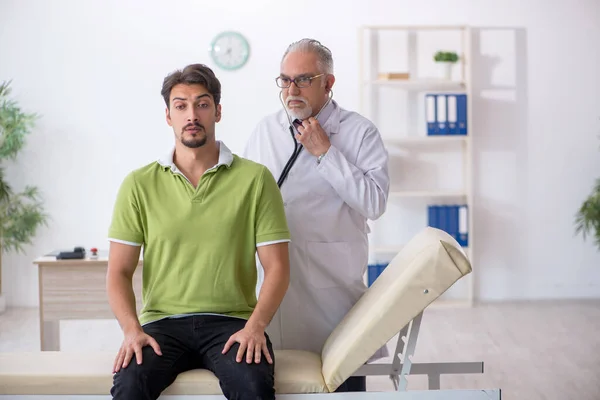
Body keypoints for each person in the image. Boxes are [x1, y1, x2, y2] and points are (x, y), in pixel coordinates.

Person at [106, 63, 291, 400]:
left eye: (202, 104)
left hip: (232, 323)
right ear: (168, 116)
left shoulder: (255, 179)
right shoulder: (138, 184)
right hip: (162, 324)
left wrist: (256, 327)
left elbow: (277, 267)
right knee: (130, 386)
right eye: (181, 106)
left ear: (218, 112)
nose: (192, 114)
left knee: (253, 387)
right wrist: (132, 330)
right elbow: (118, 271)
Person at [243, 38, 390, 392]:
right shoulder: (266, 129)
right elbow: (245, 197)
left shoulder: (358, 132)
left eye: (303, 79)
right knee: (283, 382)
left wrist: (326, 152)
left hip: (333, 286)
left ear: (328, 83)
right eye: (285, 80)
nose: (291, 90)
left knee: (342, 379)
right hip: (275, 281)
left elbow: (374, 203)